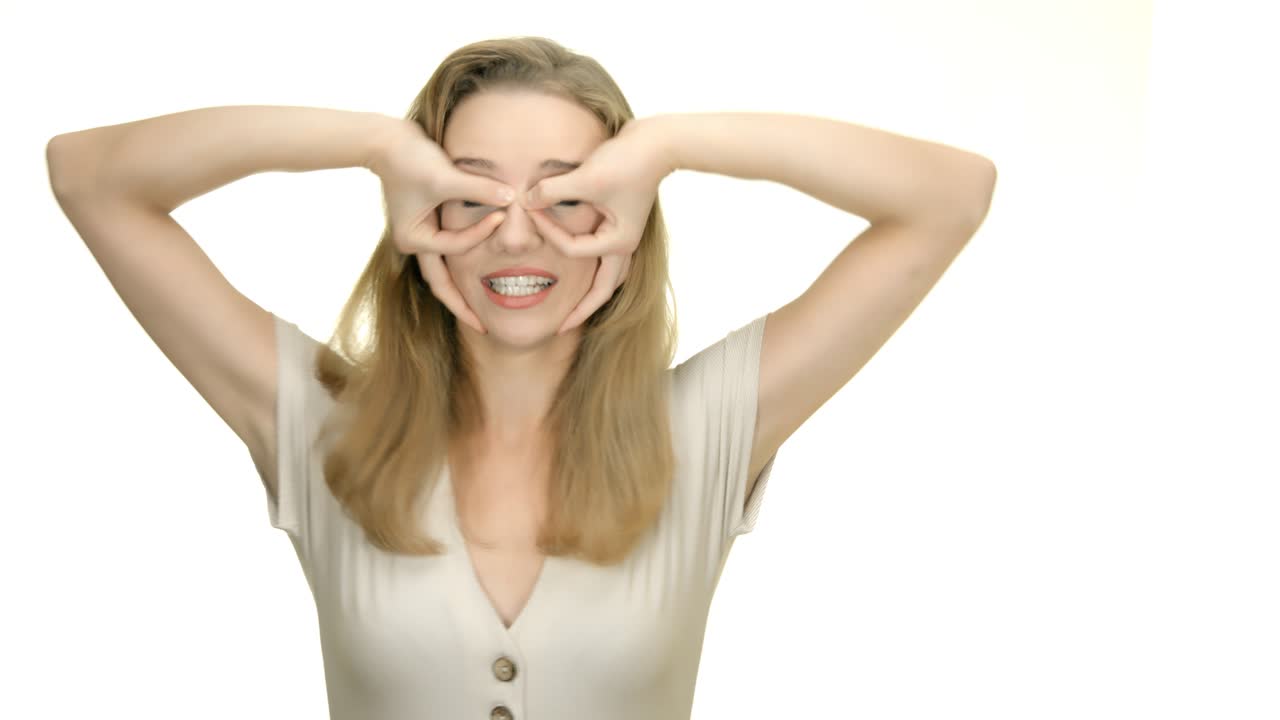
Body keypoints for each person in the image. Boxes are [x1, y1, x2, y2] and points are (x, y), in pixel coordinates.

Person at [47, 35, 995, 720]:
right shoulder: (321, 427)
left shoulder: (704, 432)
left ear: (623, 216)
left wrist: (667, 145)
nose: (514, 232)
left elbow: (948, 195)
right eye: (471, 190)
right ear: (418, 212)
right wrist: (376, 144)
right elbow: (90, 178)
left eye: (568, 193)